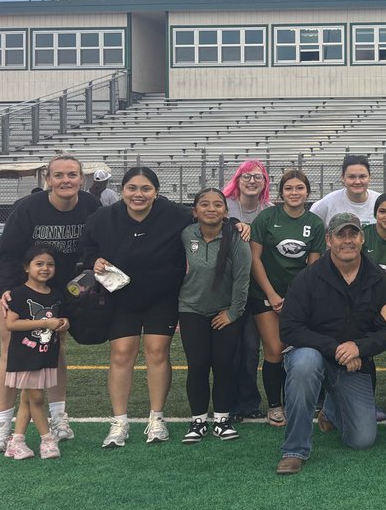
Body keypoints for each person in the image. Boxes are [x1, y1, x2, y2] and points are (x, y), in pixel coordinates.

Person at [81, 166, 208, 449]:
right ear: (123, 190)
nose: (138, 194)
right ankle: (119, 422)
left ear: (156, 192)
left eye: (145, 189)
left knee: (156, 352)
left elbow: (210, 216)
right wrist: (94, 260)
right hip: (121, 297)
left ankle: (157, 418)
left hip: (161, 297)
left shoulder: (175, 215)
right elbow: (87, 247)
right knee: (121, 354)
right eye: (132, 188)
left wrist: (237, 223)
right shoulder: (102, 218)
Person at [275, 213, 386, 474]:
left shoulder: (378, 278)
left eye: (352, 234)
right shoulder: (308, 278)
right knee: (305, 363)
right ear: (328, 240)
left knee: (362, 440)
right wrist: (336, 348)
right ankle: (294, 450)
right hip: (314, 354)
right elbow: (289, 329)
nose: (347, 241)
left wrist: (359, 348)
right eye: (340, 235)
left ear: (361, 238)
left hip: (354, 363)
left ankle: (330, 411)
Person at [0, 154, 99, 450]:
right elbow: (8, 252)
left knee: (55, 350)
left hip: (64, 292)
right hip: (23, 287)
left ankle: (58, 418)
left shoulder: (92, 206)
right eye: (59, 175)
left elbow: (98, 245)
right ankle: (3, 423)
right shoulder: (28, 208)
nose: (65, 180)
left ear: (82, 179)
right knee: (10, 351)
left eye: (72, 175)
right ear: (48, 180)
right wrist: (6, 290)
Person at [249, 169, 326, 428]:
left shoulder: (315, 223)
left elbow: (312, 268)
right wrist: (271, 294)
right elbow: (254, 258)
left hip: (298, 297)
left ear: (307, 192)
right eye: (289, 188)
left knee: (300, 349)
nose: (294, 193)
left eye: (299, 188)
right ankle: (275, 405)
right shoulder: (267, 217)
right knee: (274, 350)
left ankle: (306, 399)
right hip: (265, 294)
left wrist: (293, 299)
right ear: (280, 193)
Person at [178, 188, 252, 444]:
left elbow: (243, 279)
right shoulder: (186, 235)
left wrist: (233, 313)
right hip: (191, 309)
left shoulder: (237, 237)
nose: (211, 209)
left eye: (218, 204)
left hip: (225, 312)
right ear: (195, 210)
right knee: (197, 365)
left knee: (223, 365)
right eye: (204, 204)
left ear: (226, 211)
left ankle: (222, 418)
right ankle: (198, 420)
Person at [2, 246, 67, 460]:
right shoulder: (18, 293)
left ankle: (17, 441)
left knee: (28, 399)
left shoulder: (56, 294)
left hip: (45, 355)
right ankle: (47, 439)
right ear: (26, 267)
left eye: (50, 264)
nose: (45, 268)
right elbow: (11, 324)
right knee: (36, 398)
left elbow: (61, 318)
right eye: (39, 264)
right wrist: (44, 322)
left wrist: (63, 323)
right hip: (25, 356)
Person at [222, 159, 270, 423]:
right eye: (246, 176)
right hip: (226, 289)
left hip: (256, 288)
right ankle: (226, 402)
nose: (252, 181)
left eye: (258, 177)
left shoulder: (269, 210)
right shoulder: (224, 205)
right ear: (237, 179)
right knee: (229, 346)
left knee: (251, 347)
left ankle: (249, 401)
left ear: (265, 183)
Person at [310, 155, 380, 226]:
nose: (357, 182)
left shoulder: (380, 201)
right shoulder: (327, 203)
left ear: (370, 178)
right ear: (343, 178)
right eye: (351, 177)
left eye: (362, 176)